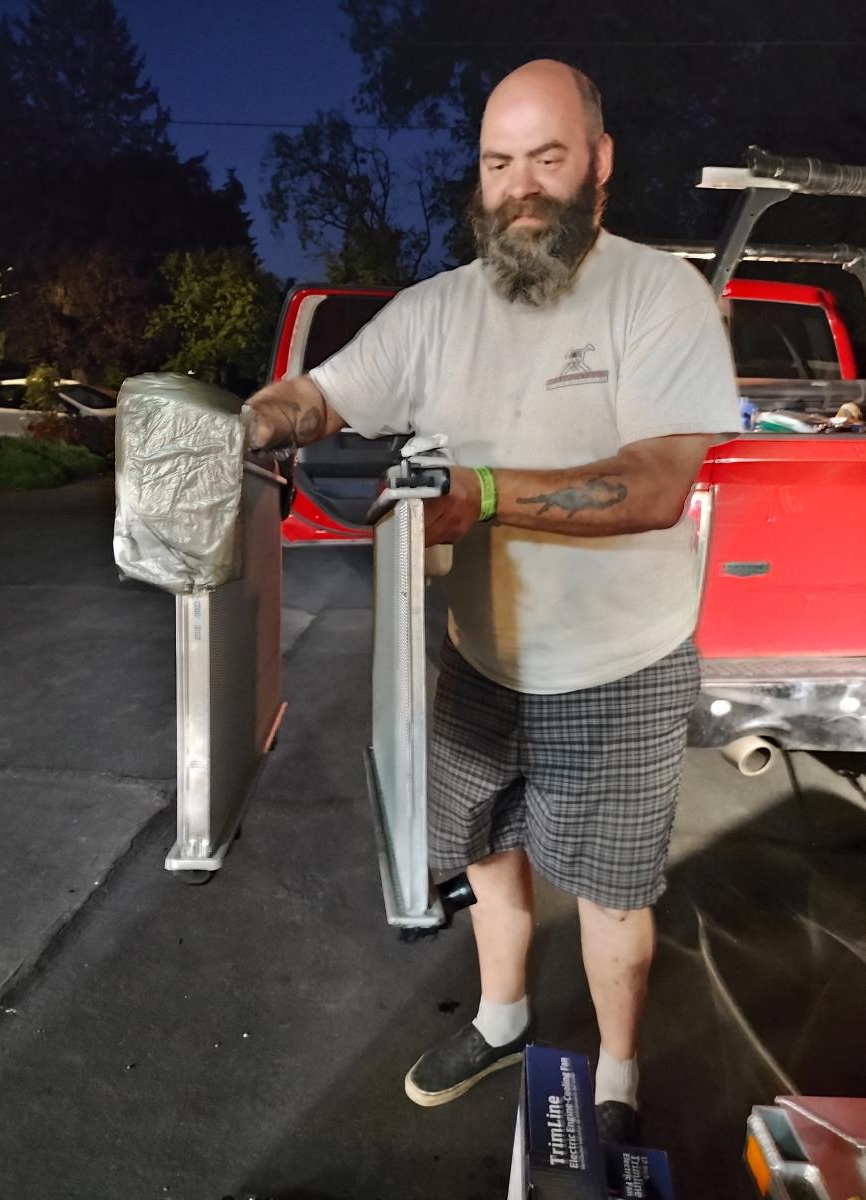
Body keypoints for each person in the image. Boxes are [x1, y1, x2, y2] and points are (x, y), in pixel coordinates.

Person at [246, 59, 741, 1144]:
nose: (519, 187)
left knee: (612, 891)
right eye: (497, 162)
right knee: (482, 846)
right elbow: (321, 396)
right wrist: (255, 423)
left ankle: (615, 1076)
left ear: (600, 165)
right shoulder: (435, 313)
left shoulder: (659, 296)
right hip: (477, 655)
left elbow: (658, 484)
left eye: (547, 159)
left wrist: (482, 491)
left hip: (620, 666)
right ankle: (505, 1017)